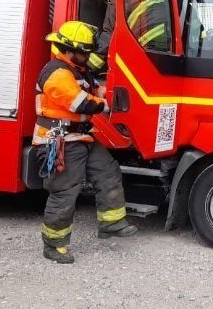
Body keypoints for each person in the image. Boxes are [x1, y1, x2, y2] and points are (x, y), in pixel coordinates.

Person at [36, 21, 137, 264]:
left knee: (107, 171)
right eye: (84, 52)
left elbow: (94, 90)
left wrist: (112, 92)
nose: (88, 56)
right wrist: (108, 104)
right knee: (65, 191)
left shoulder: (76, 70)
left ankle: (111, 223)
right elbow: (80, 103)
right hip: (60, 141)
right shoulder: (57, 73)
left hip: (81, 137)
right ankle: (54, 244)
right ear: (69, 49)